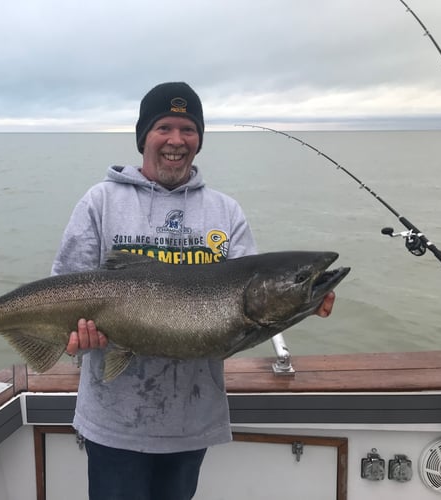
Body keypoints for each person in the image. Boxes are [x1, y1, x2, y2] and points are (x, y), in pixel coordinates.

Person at [51, 82, 336, 500]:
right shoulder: (100, 202)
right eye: (163, 127)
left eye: (188, 129)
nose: (176, 140)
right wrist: (74, 336)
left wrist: (303, 301)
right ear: (143, 136)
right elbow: (64, 289)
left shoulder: (225, 211)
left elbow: (245, 317)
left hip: (192, 421)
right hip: (113, 422)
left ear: (199, 140)